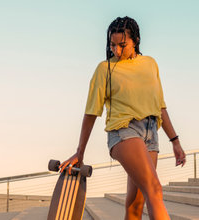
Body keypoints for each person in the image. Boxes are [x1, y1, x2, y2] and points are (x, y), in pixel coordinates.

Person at [60, 16, 186, 220]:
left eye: (122, 45)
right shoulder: (104, 69)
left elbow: (160, 106)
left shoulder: (150, 64)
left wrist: (175, 142)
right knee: (154, 190)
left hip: (150, 133)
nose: (116, 51)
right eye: (112, 45)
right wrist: (79, 152)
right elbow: (91, 112)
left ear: (135, 41)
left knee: (136, 204)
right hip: (123, 131)